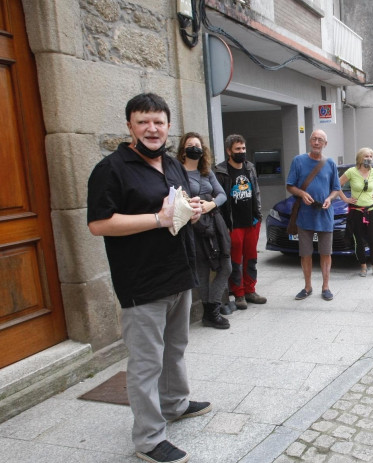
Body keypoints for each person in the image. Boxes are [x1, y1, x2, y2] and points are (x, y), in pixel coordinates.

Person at [87, 93, 209, 463]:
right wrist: (156, 219)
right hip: (141, 282)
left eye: (158, 122)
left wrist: (193, 211)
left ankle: (174, 404)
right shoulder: (112, 169)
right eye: (143, 122)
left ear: (168, 127)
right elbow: (98, 224)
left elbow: (177, 204)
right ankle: (149, 439)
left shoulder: (171, 164)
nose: (152, 129)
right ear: (130, 126)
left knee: (175, 349)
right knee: (145, 363)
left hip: (178, 273)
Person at [178, 132, 231, 329]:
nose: (194, 148)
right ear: (183, 149)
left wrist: (210, 205)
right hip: (194, 226)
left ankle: (212, 309)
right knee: (202, 269)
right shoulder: (178, 173)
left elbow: (222, 195)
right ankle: (211, 314)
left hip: (214, 223)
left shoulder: (206, 172)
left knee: (226, 266)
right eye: (190, 145)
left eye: (197, 145)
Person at [286, 130, 342, 301]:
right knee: (306, 253)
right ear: (310, 142)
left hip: (325, 214)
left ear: (325, 144)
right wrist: (302, 194)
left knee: (326, 253)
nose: (316, 142)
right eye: (314, 139)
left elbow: (336, 189)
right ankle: (307, 287)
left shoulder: (330, 163)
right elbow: (290, 186)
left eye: (320, 140)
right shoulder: (298, 161)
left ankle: (326, 287)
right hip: (304, 215)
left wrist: (329, 198)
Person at [215, 134, 267, 310]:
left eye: (243, 148)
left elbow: (256, 192)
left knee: (251, 258)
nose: (242, 152)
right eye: (238, 149)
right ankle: (239, 294)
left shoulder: (250, 168)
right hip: (233, 224)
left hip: (252, 222)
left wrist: (258, 215)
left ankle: (250, 290)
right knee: (236, 261)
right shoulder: (221, 172)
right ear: (229, 151)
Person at [339, 147, 373, 277]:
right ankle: (363, 266)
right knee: (359, 240)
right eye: (366, 156)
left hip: (371, 210)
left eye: (371, 156)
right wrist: (346, 199)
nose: (369, 159)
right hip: (356, 211)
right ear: (360, 158)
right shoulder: (351, 172)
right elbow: (336, 185)